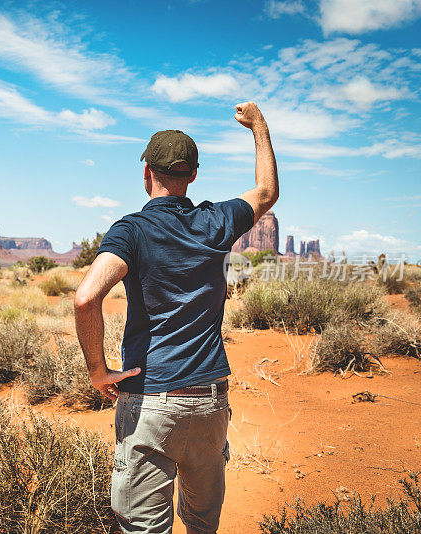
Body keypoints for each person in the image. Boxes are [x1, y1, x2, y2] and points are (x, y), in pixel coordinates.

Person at [74, 102, 278, 534]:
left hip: (151, 404)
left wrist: (98, 372)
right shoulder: (215, 222)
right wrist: (259, 127)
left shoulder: (132, 230)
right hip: (209, 403)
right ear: (193, 175)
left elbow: (86, 297)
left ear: (146, 173)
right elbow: (266, 192)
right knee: (203, 525)